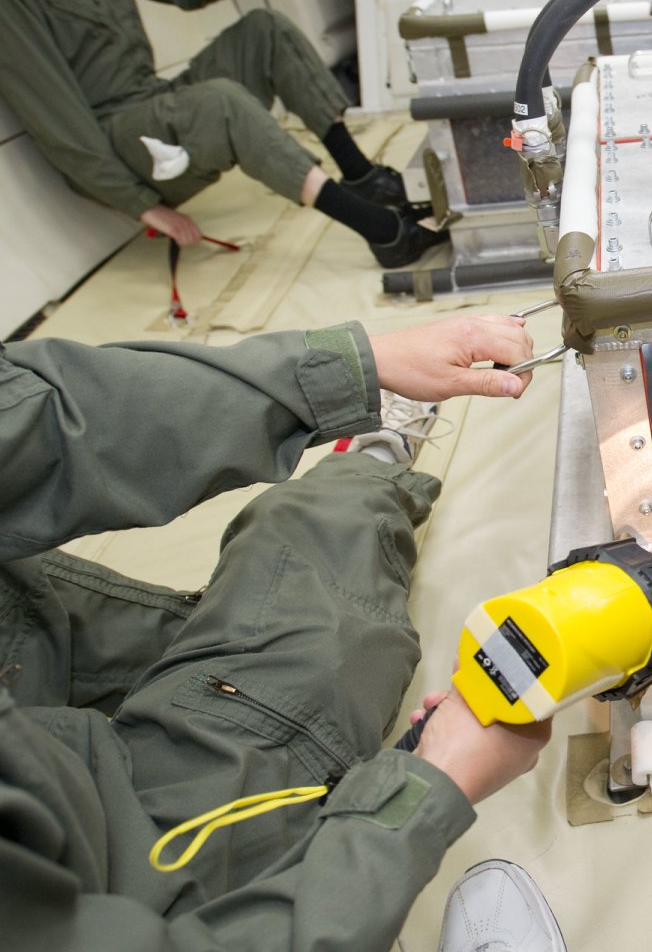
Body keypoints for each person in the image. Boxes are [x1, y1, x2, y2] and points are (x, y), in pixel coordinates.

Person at [0, 312, 552, 948]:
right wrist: (426, 795)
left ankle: (366, 453)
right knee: (322, 617)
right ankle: (376, 458)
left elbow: (34, 422)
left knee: (282, 561)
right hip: (102, 864)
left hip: (22, 641)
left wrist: (350, 369)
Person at [0, 0, 446, 268]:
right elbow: (54, 115)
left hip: (152, 99)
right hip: (114, 140)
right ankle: (384, 232)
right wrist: (140, 203)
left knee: (265, 31)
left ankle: (363, 177)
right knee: (222, 102)